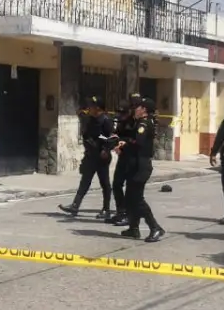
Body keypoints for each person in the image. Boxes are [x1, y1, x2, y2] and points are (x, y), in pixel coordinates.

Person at [117, 97, 166, 243]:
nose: (135, 109)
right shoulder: (139, 122)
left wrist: (124, 143)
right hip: (134, 164)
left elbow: (138, 142)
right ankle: (134, 228)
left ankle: (155, 227)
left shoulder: (144, 123)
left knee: (137, 199)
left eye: (137, 107)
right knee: (130, 198)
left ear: (144, 110)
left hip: (141, 166)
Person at [59, 95, 117, 218]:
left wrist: (106, 150)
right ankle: (75, 206)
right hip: (91, 156)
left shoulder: (106, 120)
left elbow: (113, 139)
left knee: (105, 183)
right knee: (84, 182)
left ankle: (106, 209)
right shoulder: (91, 119)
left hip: (102, 157)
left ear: (98, 108)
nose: (89, 108)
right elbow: (86, 132)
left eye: (91, 106)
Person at [106, 94, 142, 226]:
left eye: (122, 113)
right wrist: (113, 141)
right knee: (116, 184)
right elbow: (117, 136)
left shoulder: (135, 123)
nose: (120, 115)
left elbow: (136, 141)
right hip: (122, 157)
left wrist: (123, 141)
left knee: (130, 189)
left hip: (132, 159)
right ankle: (120, 212)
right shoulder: (121, 122)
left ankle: (129, 215)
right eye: (118, 113)